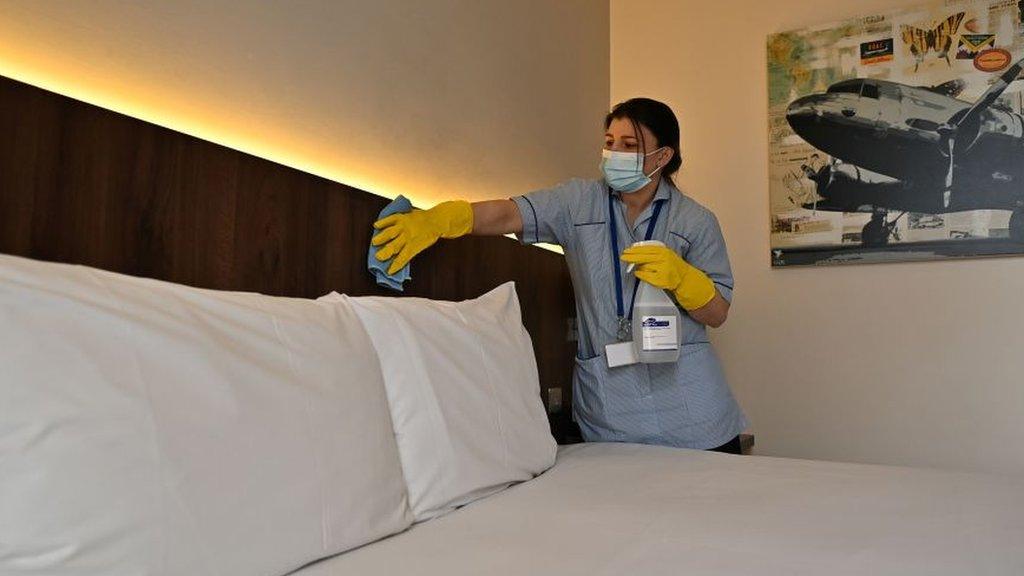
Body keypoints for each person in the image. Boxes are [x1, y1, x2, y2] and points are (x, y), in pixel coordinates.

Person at [371, 98, 747, 454]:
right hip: (612, 414)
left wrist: (684, 279)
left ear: (662, 156)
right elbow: (507, 214)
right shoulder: (576, 201)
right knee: (625, 520)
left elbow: (717, 313)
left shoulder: (696, 221)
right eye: (609, 142)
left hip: (694, 414)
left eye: (629, 145)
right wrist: (443, 219)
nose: (615, 153)